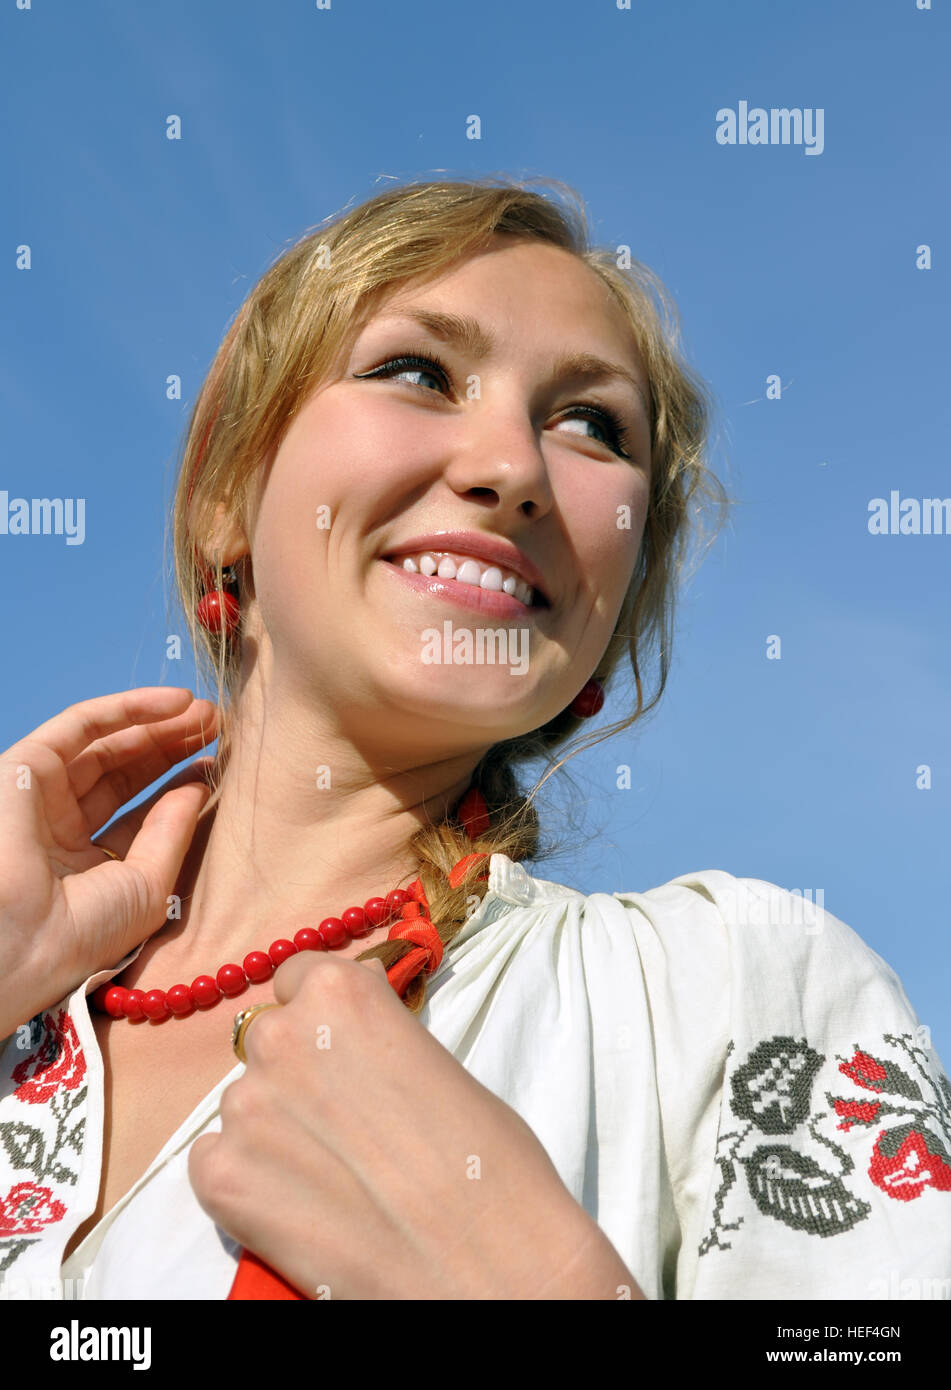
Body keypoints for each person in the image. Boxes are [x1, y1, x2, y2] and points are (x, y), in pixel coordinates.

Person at [1, 177, 948, 1302]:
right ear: (228, 491)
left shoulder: (736, 988)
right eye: (419, 373)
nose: (512, 470)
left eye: (592, 424)